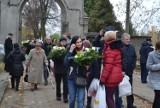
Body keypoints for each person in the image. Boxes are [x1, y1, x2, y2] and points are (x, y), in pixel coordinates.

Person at [99, 31, 124, 108]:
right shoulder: (116, 46)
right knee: (111, 97)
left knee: (108, 97)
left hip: (111, 76)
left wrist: (102, 79)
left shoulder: (110, 48)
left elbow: (108, 66)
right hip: (116, 74)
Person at [64, 36, 86, 108]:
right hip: (71, 78)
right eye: (77, 42)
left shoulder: (85, 51)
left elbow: (90, 63)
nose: (79, 43)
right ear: (74, 43)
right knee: (72, 99)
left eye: (80, 41)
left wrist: (88, 67)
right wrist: (70, 50)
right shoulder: (70, 51)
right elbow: (65, 63)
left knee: (80, 99)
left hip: (82, 77)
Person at [82, 40, 100, 108]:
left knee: (89, 88)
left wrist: (96, 76)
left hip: (90, 74)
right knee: (87, 88)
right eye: (84, 46)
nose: (85, 47)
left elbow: (96, 66)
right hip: (85, 74)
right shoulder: (82, 53)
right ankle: (87, 102)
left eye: (86, 46)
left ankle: (88, 102)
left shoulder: (92, 53)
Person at [121, 33, 137, 108]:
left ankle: (130, 104)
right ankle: (119, 104)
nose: (128, 40)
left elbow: (134, 57)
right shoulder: (120, 47)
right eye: (126, 39)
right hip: (121, 72)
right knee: (120, 88)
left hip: (129, 71)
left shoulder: (132, 47)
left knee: (130, 88)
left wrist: (133, 66)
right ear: (123, 39)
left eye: (129, 39)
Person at [53, 36, 68, 103]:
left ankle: (65, 97)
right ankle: (58, 95)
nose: (63, 42)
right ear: (60, 42)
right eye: (62, 41)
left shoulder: (68, 48)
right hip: (58, 68)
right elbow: (53, 58)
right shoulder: (56, 49)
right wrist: (58, 56)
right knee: (58, 83)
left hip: (65, 69)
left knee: (66, 84)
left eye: (65, 41)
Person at [146, 40, 160, 108]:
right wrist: (159, 66)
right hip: (155, 79)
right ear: (158, 48)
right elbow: (148, 66)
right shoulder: (151, 54)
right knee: (158, 95)